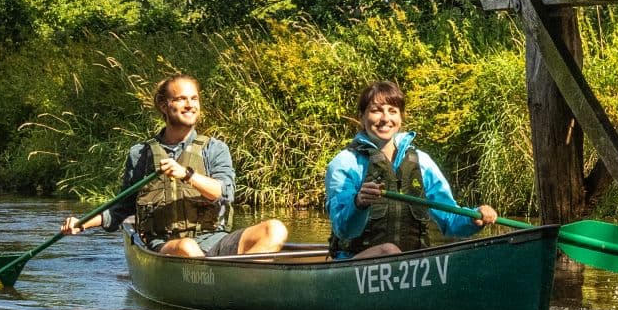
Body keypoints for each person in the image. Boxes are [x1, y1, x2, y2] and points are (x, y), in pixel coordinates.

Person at [63, 74, 288, 257]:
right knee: (187, 247)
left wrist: (187, 175)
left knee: (275, 229)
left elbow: (224, 193)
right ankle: (224, 283)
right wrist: (82, 223)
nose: (190, 105)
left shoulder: (215, 148)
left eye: (194, 99)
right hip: (165, 243)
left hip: (214, 240)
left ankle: (238, 281)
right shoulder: (140, 154)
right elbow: (122, 209)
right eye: (181, 99)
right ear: (164, 105)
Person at [324, 78, 497, 259]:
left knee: (395, 252)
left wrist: (474, 218)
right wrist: (358, 203)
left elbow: (451, 220)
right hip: (355, 262)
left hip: (414, 265)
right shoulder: (344, 164)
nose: (385, 118)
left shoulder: (422, 162)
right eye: (376, 110)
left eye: (392, 111)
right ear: (362, 117)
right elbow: (343, 229)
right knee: (388, 250)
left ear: (401, 118)